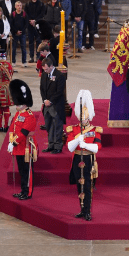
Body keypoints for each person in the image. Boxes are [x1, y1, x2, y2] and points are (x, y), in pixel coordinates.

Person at [66, 90, 102, 221]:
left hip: (88, 158)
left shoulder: (94, 130)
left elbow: (97, 148)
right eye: (81, 118)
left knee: (87, 186)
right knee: (79, 185)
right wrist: (77, 140)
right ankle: (81, 209)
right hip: (76, 158)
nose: (83, 120)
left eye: (85, 118)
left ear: (89, 117)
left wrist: (84, 144)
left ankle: (87, 210)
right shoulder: (74, 129)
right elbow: (70, 147)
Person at [7, 79, 38, 200]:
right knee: (21, 171)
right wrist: (11, 141)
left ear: (24, 104)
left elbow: (23, 133)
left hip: (25, 147)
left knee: (27, 172)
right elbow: (13, 128)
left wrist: (13, 143)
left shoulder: (29, 116)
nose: (16, 106)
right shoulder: (18, 114)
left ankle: (28, 192)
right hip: (18, 146)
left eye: (18, 104)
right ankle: (22, 190)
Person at [40, 57, 66, 153]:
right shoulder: (44, 74)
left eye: (46, 69)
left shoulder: (60, 76)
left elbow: (59, 92)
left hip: (56, 105)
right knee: (49, 125)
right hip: (47, 105)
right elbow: (42, 89)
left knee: (57, 126)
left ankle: (58, 146)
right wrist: (45, 100)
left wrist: (50, 101)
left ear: (51, 66)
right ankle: (51, 145)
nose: (45, 71)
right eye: (44, 69)